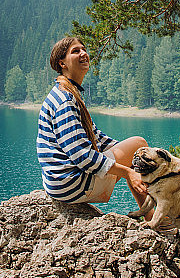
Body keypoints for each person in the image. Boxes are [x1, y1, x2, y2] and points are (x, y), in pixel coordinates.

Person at [37, 36, 150, 211]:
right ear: (62, 63)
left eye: (83, 49)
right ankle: (156, 219)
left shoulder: (67, 92)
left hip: (61, 184)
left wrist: (127, 159)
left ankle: (153, 216)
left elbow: (97, 139)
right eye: (75, 51)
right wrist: (128, 171)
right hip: (70, 185)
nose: (83, 54)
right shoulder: (64, 100)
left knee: (137, 152)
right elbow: (82, 156)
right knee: (139, 146)